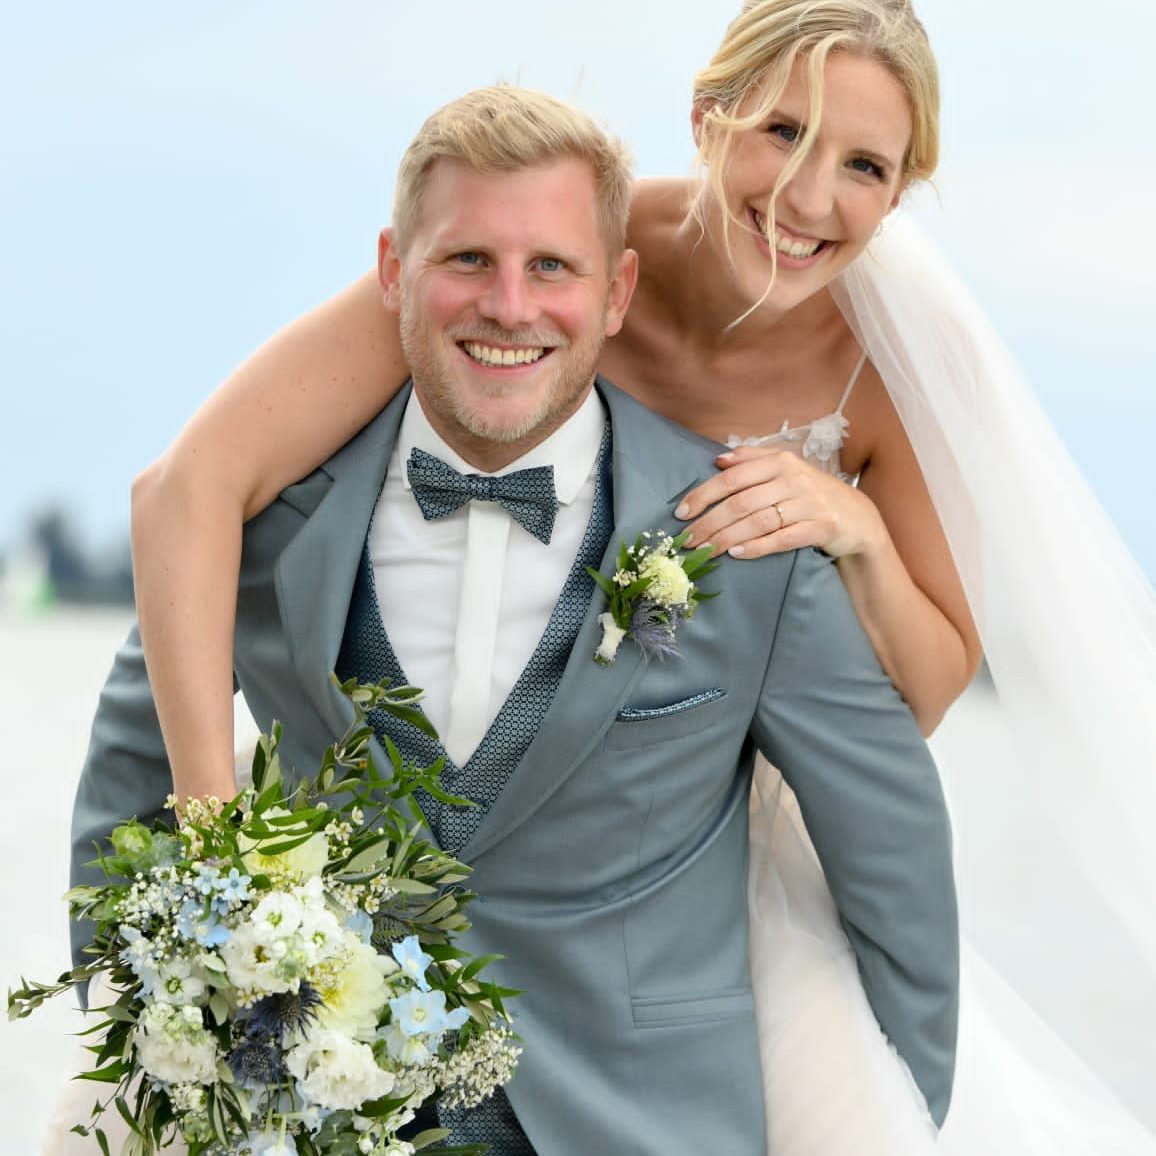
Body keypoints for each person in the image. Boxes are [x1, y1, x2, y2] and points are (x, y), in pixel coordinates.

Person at [107, 0, 1156, 1149]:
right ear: (707, 118)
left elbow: (930, 689)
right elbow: (189, 490)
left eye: (863, 166)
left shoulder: (899, 358)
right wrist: (222, 855)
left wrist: (854, 528)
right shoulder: (540, 252)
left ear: (901, 191)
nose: (808, 198)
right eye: (783, 132)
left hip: (698, 842)